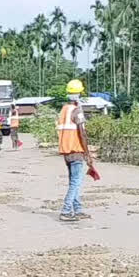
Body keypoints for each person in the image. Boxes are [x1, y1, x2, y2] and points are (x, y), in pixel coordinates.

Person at [57, 79, 93, 222]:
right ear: (79, 94)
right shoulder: (77, 110)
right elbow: (82, 133)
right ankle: (66, 210)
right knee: (75, 182)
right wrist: (87, 153)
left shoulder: (64, 110)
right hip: (76, 150)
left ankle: (77, 210)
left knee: (74, 181)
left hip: (66, 151)